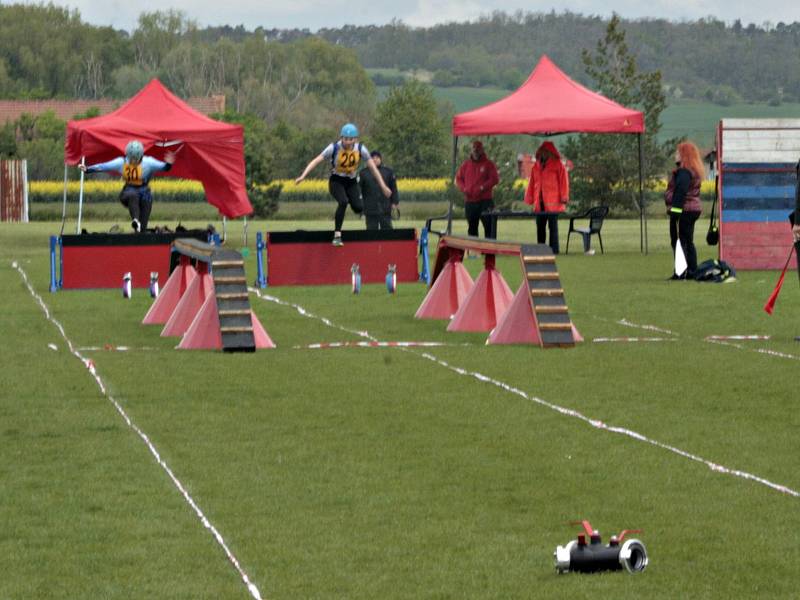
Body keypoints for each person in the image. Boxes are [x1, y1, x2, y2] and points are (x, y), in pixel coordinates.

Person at [295, 123, 391, 246]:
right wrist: (303, 175)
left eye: (350, 139)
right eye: (344, 139)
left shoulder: (361, 149)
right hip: (336, 181)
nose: (347, 142)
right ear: (341, 138)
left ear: (355, 139)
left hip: (351, 182)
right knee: (343, 201)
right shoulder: (333, 147)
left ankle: (353, 201)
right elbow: (316, 160)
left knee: (358, 208)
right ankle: (337, 235)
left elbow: (373, 169)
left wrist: (383, 186)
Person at [80, 140, 175, 233]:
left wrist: (169, 163)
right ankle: (136, 220)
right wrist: (88, 169)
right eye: (131, 158)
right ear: (127, 155)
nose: (133, 161)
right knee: (133, 194)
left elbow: (165, 168)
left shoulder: (149, 162)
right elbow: (103, 166)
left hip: (145, 193)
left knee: (143, 225)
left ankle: (140, 231)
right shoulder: (121, 162)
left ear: (141, 156)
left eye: (136, 158)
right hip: (128, 192)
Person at [665, 141, 705, 279]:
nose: (675, 155)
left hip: (683, 210)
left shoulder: (683, 172)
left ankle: (680, 273)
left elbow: (680, 191)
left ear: (684, 155)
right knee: (688, 240)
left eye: (678, 152)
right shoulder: (694, 170)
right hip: (693, 209)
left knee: (678, 240)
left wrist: (675, 211)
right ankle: (692, 271)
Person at [524, 141, 569, 254]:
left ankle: (554, 250)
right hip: (539, 202)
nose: (544, 153)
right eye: (542, 151)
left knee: (552, 227)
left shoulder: (558, 164)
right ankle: (541, 249)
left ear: (550, 152)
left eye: (546, 151)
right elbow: (532, 183)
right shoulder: (536, 166)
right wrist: (529, 198)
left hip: (553, 202)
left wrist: (564, 197)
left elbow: (564, 181)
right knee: (540, 227)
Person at [455, 140, 499, 238]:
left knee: (489, 227)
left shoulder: (489, 164)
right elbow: (458, 179)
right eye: (474, 149)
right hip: (470, 201)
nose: (476, 151)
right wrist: (464, 188)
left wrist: (482, 187)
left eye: (478, 149)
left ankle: (489, 251)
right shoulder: (466, 165)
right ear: (471, 150)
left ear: (482, 150)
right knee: (472, 228)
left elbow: (494, 179)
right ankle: (473, 252)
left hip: (485, 201)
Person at [359, 150, 398, 230]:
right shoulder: (363, 173)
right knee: (371, 232)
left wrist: (394, 202)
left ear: (380, 159)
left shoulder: (388, 172)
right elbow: (359, 190)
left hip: (385, 208)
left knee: (387, 231)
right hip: (370, 208)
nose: (375, 159)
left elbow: (394, 188)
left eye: (377, 157)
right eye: (372, 158)